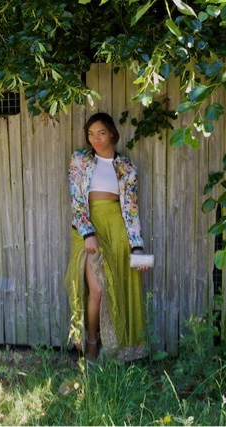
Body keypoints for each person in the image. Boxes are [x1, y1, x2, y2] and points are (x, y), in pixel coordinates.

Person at [63, 112, 149, 362]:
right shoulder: (80, 160)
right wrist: (88, 233)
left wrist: (137, 246)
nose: (96, 139)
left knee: (116, 288)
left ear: (112, 133)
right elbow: (77, 201)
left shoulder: (127, 168)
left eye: (101, 133)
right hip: (89, 228)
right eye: (91, 134)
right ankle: (91, 344)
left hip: (117, 229)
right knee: (98, 288)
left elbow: (131, 209)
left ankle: (116, 350)